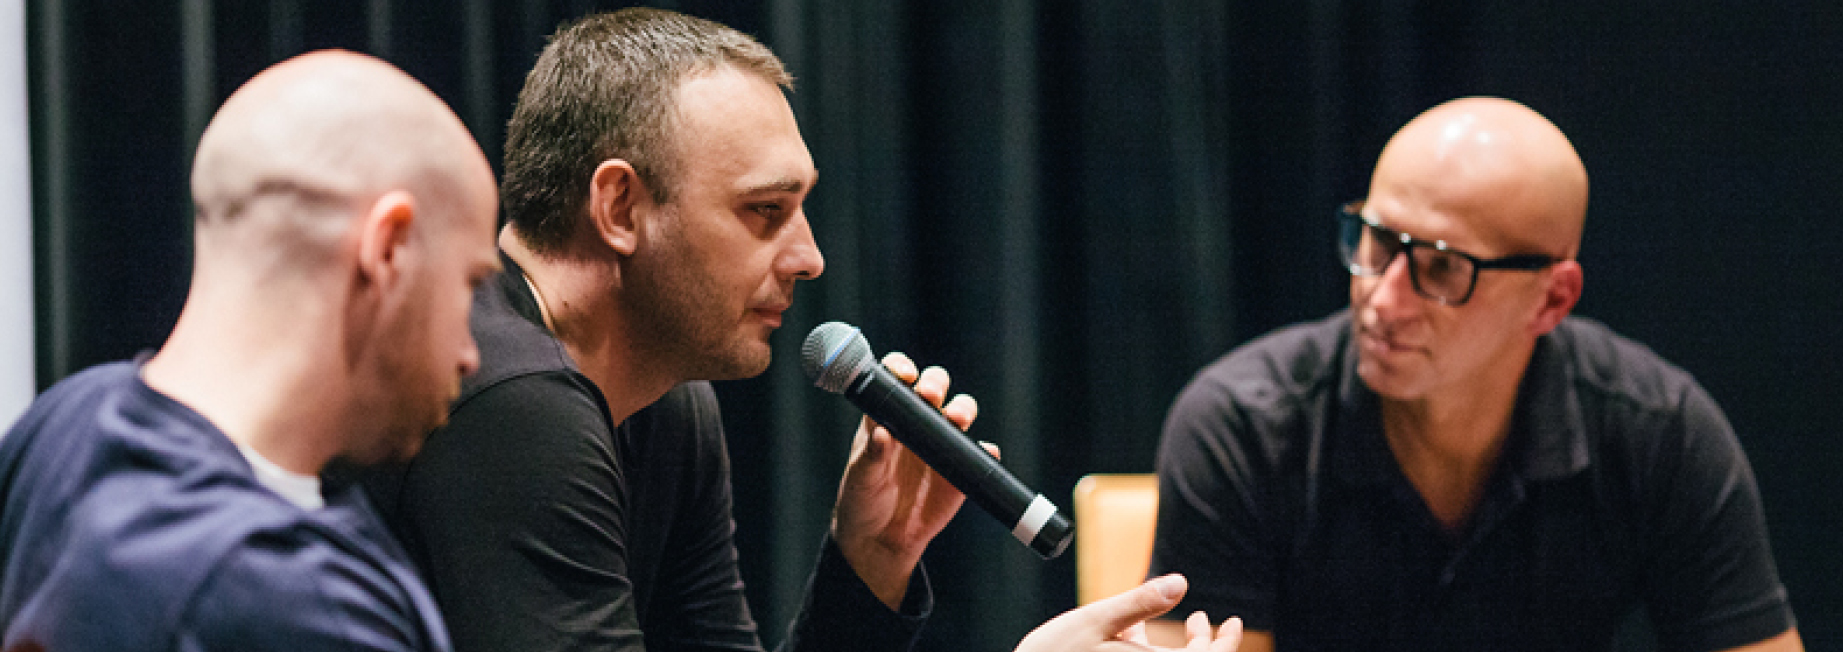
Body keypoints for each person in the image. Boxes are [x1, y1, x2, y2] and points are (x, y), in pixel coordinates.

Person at [362, 8, 1240, 652]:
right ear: (620, 207)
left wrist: (872, 561)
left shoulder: (667, 403)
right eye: (764, 212)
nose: (810, 257)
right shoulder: (516, 403)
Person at [1146, 96, 1804, 651]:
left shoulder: (1658, 432)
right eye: (1378, 241)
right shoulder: (1241, 426)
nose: (1382, 300)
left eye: (1441, 268)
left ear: (1551, 299)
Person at [0, 51, 500, 651]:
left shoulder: (60, 427)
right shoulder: (292, 603)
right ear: (388, 249)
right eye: (470, 284)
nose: (470, 353)